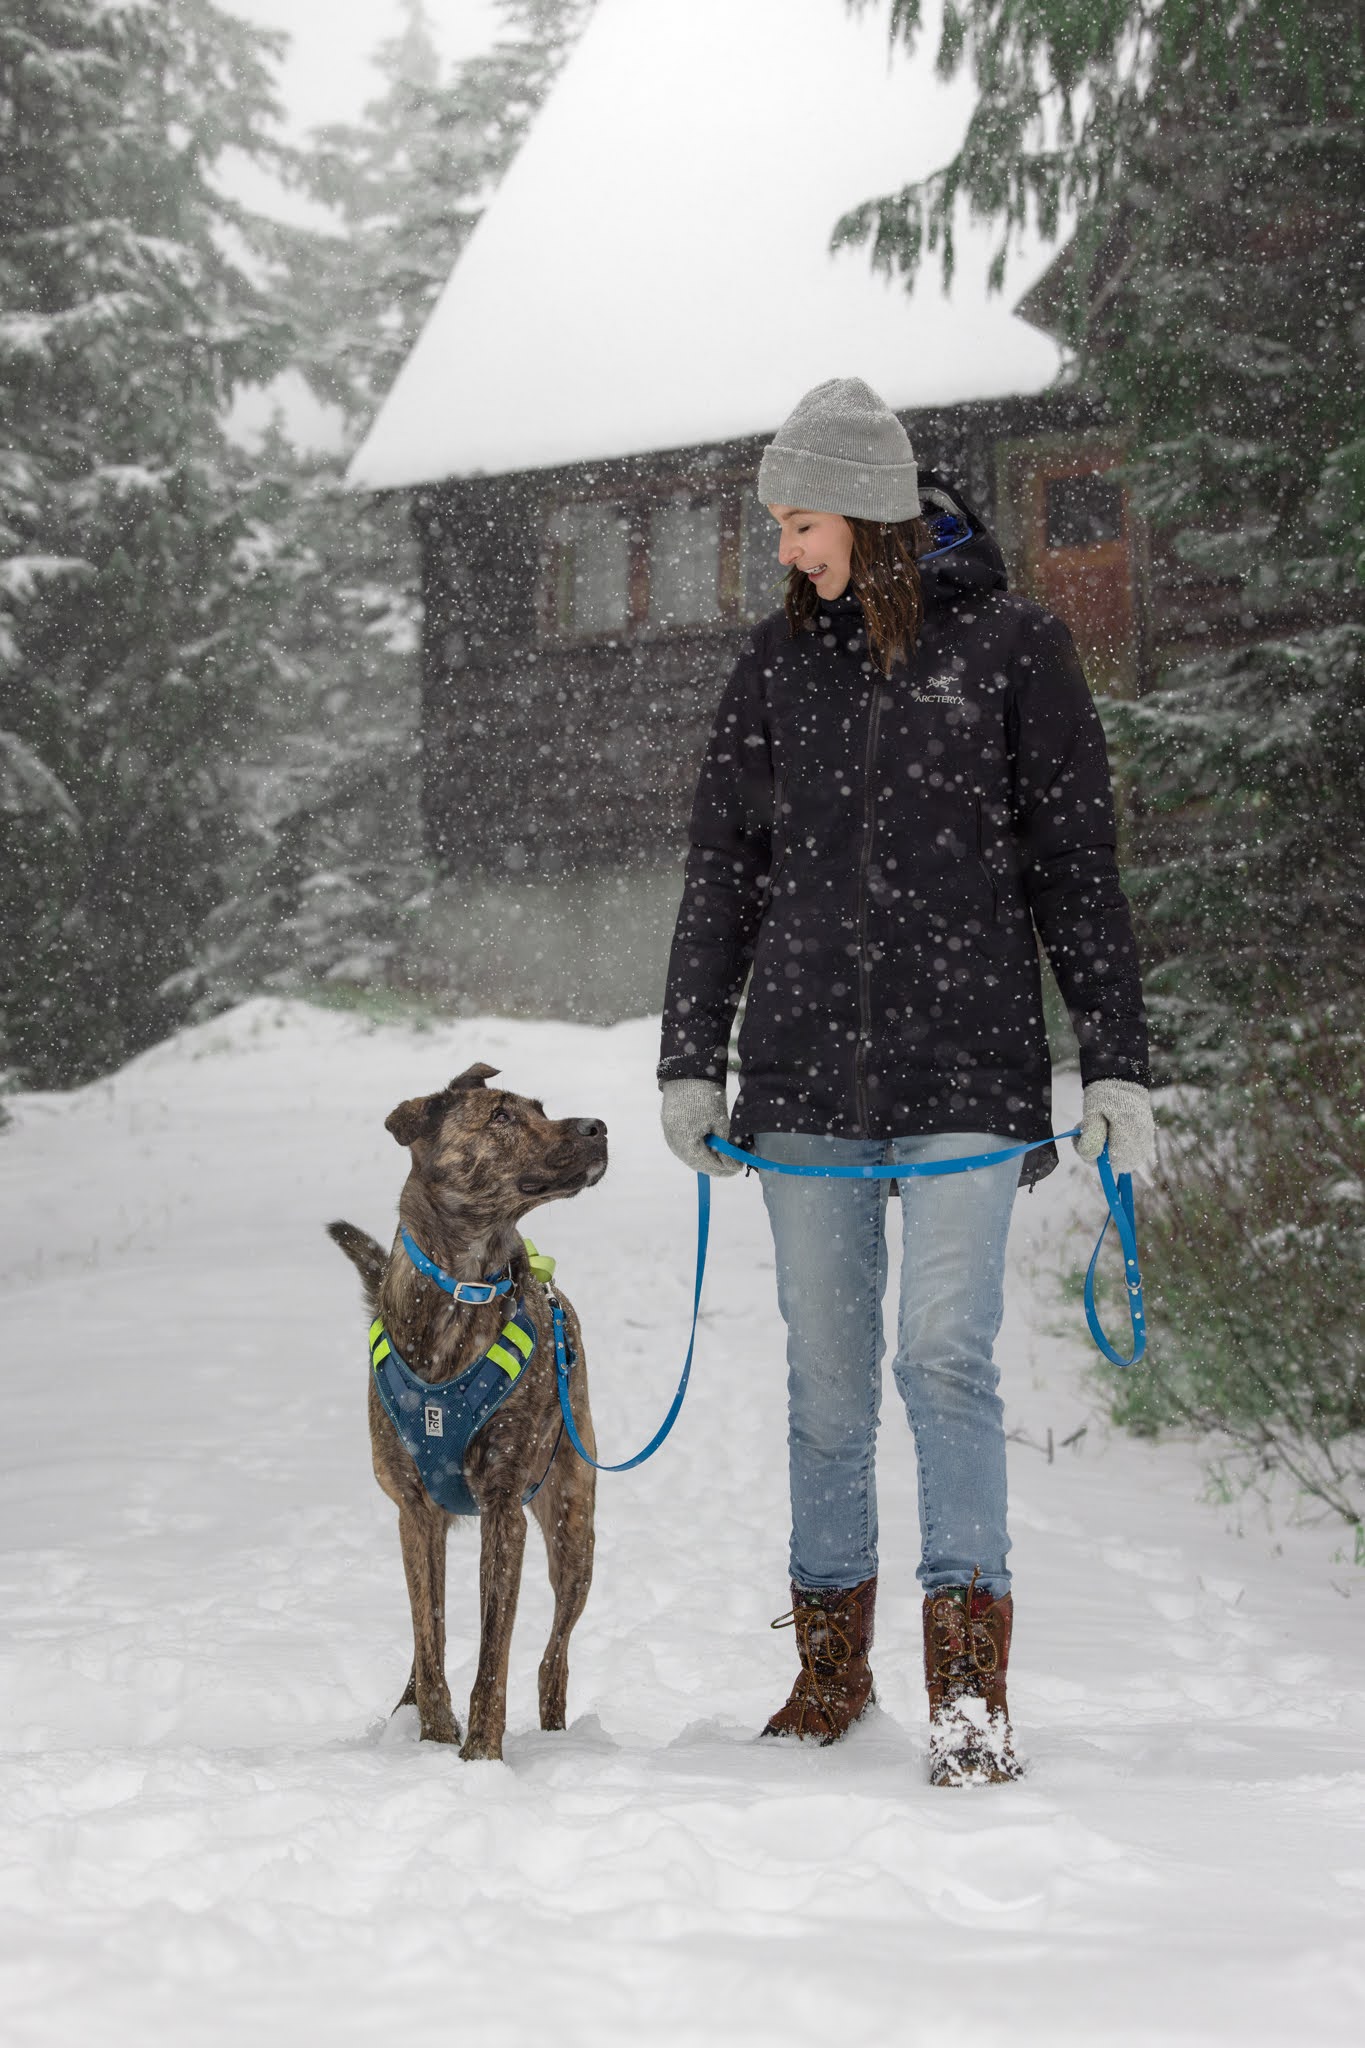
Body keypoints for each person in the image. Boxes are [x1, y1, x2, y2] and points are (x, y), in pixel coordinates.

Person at [656, 378, 1154, 1785]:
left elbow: (1074, 871)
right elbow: (721, 879)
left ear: (866, 515)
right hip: (806, 1073)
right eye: (775, 526)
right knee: (824, 1380)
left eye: (797, 522)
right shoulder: (771, 669)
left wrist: (1113, 1062)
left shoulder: (1014, 650)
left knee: (941, 1359)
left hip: (968, 1073)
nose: (783, 552)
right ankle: (826, 1672)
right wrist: (691, 1059)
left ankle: (968, 1691)